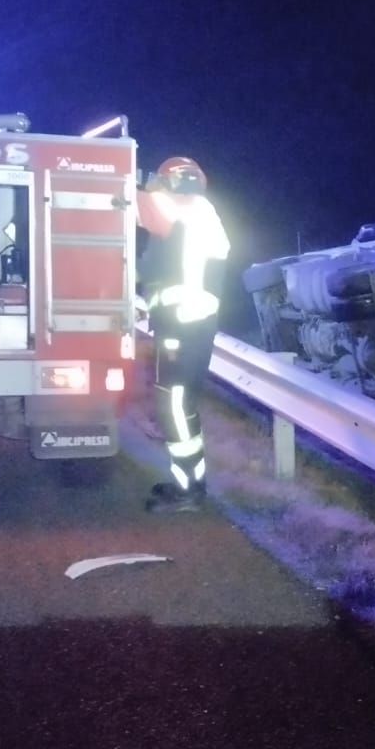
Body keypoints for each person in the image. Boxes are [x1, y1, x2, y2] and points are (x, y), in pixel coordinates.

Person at [137, 156, 231, 513]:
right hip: (191, 325)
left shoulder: (186, 211)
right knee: (182, 406)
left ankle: (189, 492)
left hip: (182, 325)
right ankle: (190, 483)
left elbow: (141, 206)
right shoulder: (201, 213)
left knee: (174, 406)